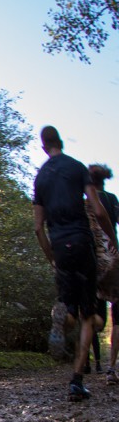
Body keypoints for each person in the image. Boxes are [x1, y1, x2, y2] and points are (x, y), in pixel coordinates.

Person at [33, 126, 118, 401]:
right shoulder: (77, 167)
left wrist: (51, 257)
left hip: (59, 246)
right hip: (83, 244)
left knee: (69, 307)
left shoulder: (41, 177)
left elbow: (37, 228)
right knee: (88, 316)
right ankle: (76, 381)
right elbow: (97, 209)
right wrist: (112, 236)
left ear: (44, 147)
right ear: (60, 142)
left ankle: (62, 319)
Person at [86, 164, 119, 384]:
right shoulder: (111, 198)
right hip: (112, 257)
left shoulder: (85, 203)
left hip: (89, 260)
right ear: (104, 180)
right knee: (117, 318)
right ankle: (111, 369)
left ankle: (85, 364)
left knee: (90, 315)